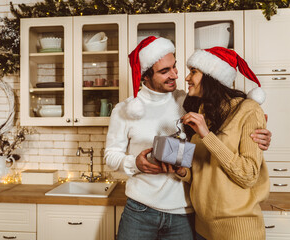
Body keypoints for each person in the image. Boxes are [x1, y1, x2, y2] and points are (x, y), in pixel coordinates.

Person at [104, 37, 271, 240]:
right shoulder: (124, 110)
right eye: (164, 71)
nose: (176, 75)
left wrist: (261, 134)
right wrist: (135, 163)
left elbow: (234, 122)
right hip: (140, 210)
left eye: (175, 67)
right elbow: (111, 156)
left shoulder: (190, 102)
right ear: (145, 76)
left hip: (184, 213)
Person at [182, 46, 270, 240]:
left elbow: (248, 175)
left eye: (193, 72)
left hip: (238, 230)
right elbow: (207, 173)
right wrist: (183, 173)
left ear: (212, 76)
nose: (187, 78)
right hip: (203, 229)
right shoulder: (204, 111)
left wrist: (207, 135)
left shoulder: (248, 110)